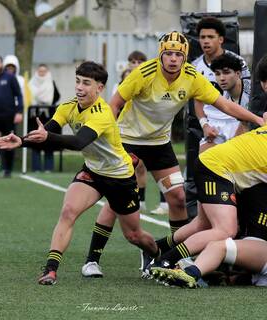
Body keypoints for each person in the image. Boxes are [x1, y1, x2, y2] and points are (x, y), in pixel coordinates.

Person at [82, 31, 263, 278]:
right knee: (119, 201)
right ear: (161, 55)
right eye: (168, 53)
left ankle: (174, 255)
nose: (173, 59)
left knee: (177, 198)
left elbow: (225, 105)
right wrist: (109, 141)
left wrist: (257, 121)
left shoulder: (191, 77)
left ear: (185, 57)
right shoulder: (144, 73)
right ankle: (93, 259)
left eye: (178, 54)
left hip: (159, 143)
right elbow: (114, 105)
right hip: (128, 140)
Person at [0, 61, 160, 285]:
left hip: (120, 177)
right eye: (78, 81)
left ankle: (160, 255)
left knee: (134, 235)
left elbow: (79, 141)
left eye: (86, 83)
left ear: (100, 88)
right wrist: (21, 141)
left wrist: (47, 138)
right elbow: (47, 133)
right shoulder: (68, 107)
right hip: (92, 172)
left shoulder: (102, 113)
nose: (80, 87)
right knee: (68, 211)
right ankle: (51, 270)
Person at [151, 54, 267, 288]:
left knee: (203, 225)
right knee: (225, 229)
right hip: (218, 167)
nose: (222, 77)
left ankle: (157, 248)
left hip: (215, 162)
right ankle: (166, 261)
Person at [193, 17, 251, 153]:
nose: (206, 41)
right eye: (202, 37)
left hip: (237, 120)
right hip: (213, 125)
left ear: (221, 39)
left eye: (210, 36)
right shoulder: (195, 67)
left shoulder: (238, 62)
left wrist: (243, 124)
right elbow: (198, 101)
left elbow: (247, 95)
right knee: (204, 165)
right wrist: (205, 125)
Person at [29, 64, 61, 172]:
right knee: (35, 141)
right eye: (40, 71)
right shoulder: (31, 83)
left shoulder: (51, 83)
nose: (42, 73)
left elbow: (56, 96)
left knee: (49, 141)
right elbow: (28, 96)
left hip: (48, 117)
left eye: (44, 71)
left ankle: (49, 167)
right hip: (35, 117)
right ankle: (36, 167)